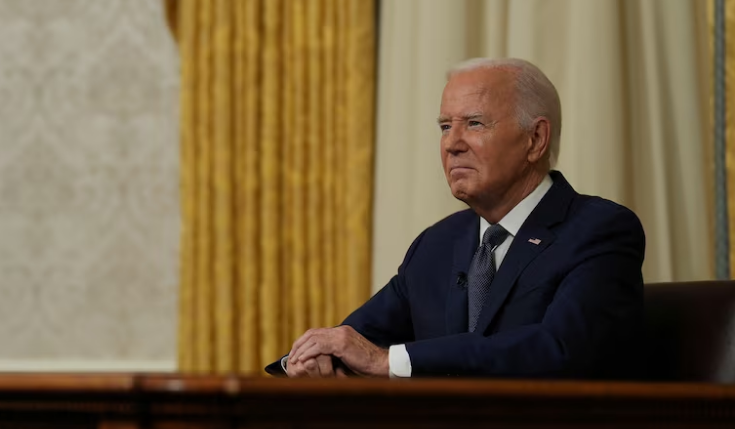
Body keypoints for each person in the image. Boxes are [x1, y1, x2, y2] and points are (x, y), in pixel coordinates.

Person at [267, 58, 645, 379]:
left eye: (474, 124)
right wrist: (311, 360)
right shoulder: (438, 243)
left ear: (535, 139)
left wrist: (389, 361)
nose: (452, 143)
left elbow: (559, 348)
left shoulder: (599, 231)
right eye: (446, 126)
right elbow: (358, 337)